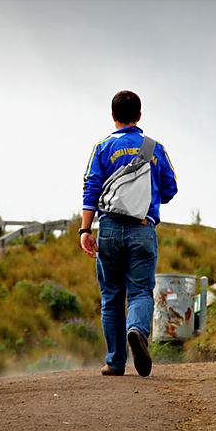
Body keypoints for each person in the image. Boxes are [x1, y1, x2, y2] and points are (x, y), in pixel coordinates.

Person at [79, 90, 178, 377]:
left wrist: (86, 229)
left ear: (113, 116)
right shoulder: (154, 147)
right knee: (140, 291)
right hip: (143, 229)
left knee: (111, 295)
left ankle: (115, 361)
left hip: (108, 228)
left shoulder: (101, 148)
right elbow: (170, 188)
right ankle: (137, 330)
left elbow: (91, 188)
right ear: (139, 115)